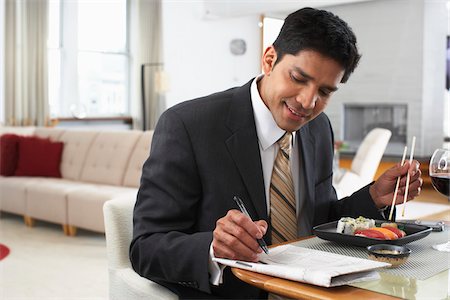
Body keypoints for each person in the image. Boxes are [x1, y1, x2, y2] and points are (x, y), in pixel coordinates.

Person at [130, 7, 422, 299]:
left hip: (315, 291)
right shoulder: (188, 125)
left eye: (325, 91)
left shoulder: (319, 129)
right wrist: (212, 248)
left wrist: (373, 198)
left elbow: (318, 220)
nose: (308, 102)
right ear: (269, 60)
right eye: (298, 78)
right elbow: (145, 247)